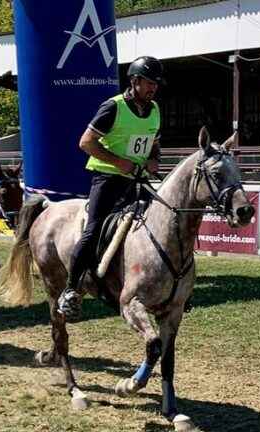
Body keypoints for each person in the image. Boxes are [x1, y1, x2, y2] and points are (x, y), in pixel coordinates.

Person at [57, 56, 165, 319]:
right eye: (149, 83)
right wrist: (120, 163)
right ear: (135, 81)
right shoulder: (113, 107)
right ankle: (71, 289)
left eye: (156, 84)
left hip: (137, 180)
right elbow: (86, 142)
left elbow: (153, 143)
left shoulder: (154, 110)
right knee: (94, 229)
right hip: (107, 179)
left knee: (161, 227)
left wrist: (153, 160)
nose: (153, 88)